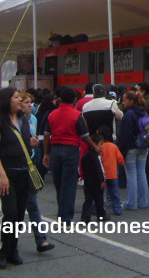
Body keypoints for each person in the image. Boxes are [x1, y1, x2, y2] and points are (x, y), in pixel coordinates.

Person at [0, 87, 39, 269]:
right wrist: (2, 175)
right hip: (5, 173)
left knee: (19, 214)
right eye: (16, 97)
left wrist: (31, 143)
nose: (20, 101)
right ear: (6, 100)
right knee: (7, 213)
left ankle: (12, 249)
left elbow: (21, 143)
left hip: (23, 172)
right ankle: (1, 251)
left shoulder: (23, 120)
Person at [43, 87, 99, 225]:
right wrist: (95, 147)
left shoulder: (52, 114)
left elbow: (46, 135)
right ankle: (65, 216)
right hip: (71, 149)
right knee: (68, 184)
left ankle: (62, 212)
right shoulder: (77, 115)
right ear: (74, 99)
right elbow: (85, 136)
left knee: (58, 183)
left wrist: (46, 153)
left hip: (55, 149)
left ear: (60, 98)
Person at [19, 92, 54, 254]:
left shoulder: (33, 119)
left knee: (32, 204)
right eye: (26, 102)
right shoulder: (13, 120)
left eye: (30, 102)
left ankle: (41, 240)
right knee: (15, 209)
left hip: (30, 162)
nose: (29, 105)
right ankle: (8, 241)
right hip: (16, 164)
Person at [117, 91, 149, 210]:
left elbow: (125, 136)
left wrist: (122, 151)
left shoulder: (128, 115)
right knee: (141, 174)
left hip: (131, 148)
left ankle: (131, 203)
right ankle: (143, 201)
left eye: (124, 100)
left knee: (131, 175)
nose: (123, 102)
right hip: (143, 146)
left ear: (131, 101)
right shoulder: (143, 112)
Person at [80, 134, 108, 223]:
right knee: (99, 199)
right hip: (97, 182)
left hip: (88, 181)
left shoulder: (85, 156)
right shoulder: (97, 157)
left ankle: (85, 217)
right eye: (101, 144)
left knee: (88, 200)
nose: (102, 146)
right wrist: (102, 180)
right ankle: (101, 215)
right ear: (95, 144)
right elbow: (99, 169)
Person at [98, 126, 124, 216]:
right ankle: (117, 209)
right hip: (113, 173)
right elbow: (120, 160)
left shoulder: (99, 147)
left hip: (102, 173)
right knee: (114, 192)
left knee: (99, 193)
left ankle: (97, 208)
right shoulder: (114, 146)